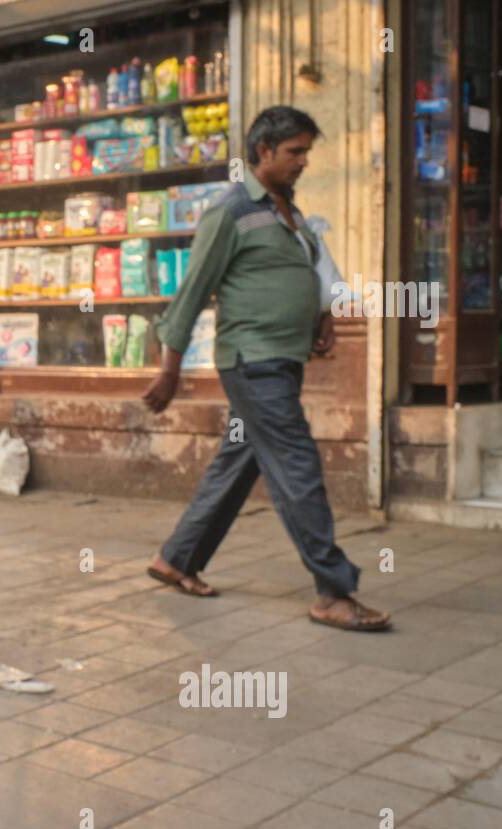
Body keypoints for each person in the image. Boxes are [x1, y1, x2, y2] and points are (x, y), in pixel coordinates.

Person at [142, 105, 390, 632]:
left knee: (240, 462)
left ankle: (177, 558)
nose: (303, 161)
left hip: (283, 358)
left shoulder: (293, 214)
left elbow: (308, 275)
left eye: (306, 151)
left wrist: (322, 316)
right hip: (252, 364)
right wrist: (169, 369)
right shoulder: (229, 212)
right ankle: (333, 590)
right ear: (262, 152)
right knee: (297, 467)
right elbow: (189, 294)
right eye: (294, 151)